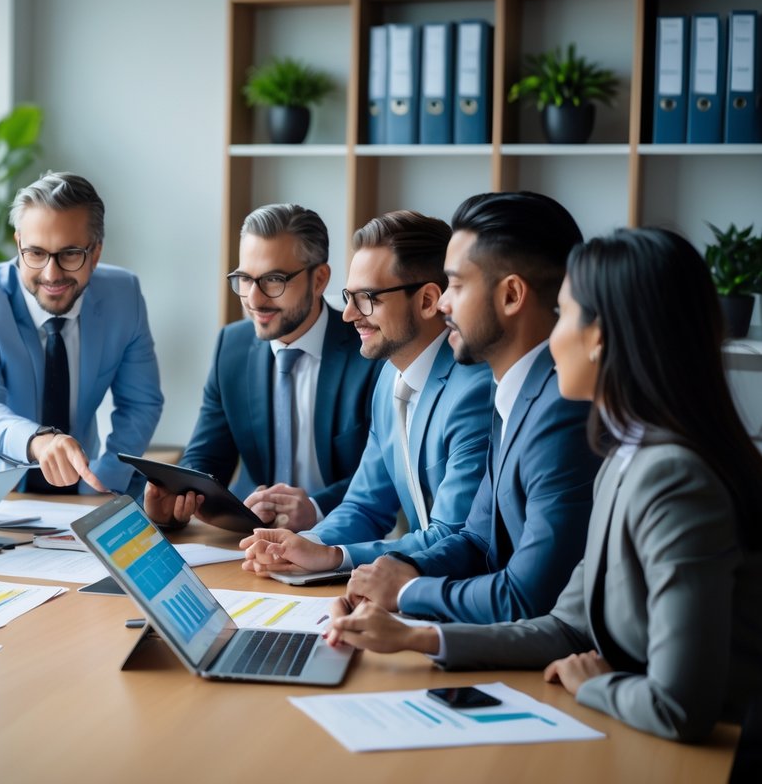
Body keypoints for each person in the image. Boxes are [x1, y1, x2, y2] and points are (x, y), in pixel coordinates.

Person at [325, 227, 762, 742]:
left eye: (565, 314)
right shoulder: (627, 454)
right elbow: (565, 626)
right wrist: (413, 637)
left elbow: (677, 707)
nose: (551, 337)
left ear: (598, 339)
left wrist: (594, 684)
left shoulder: (673, 477)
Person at [340, 192, 602, 623]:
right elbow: (477, 540)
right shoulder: (511, 395)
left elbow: (528, 596)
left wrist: (406, 592)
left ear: (512, 295)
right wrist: (393, 574)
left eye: (457, 286)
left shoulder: (562, 411)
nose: (443, 304)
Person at [237, 210, 492, 568]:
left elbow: (451, 536)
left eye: (368, 298)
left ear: (427, 300)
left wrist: (333, 556)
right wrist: (296, 545)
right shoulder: (389, 377)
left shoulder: (474, 392)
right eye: (349, 296)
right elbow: (365, 507)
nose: (348, 314)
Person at [0, 171, 163, 498]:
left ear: (96, 253)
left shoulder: (122, 295)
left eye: (70, 254)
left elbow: (141, 403)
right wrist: (38, 442)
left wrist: (104, 479)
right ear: (18, 244)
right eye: (36, 253)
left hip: (75, 488)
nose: (51, 273)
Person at [143, 204, 380, 532]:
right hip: (247, 538)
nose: (253, 299)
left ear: (319, 279)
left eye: (273, 279)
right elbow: (206, 459)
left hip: (340, 540)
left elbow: (382, 475)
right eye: (244, 279)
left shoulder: (367, 351)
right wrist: (174, 501)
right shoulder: (232, 346)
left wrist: (315, 508)